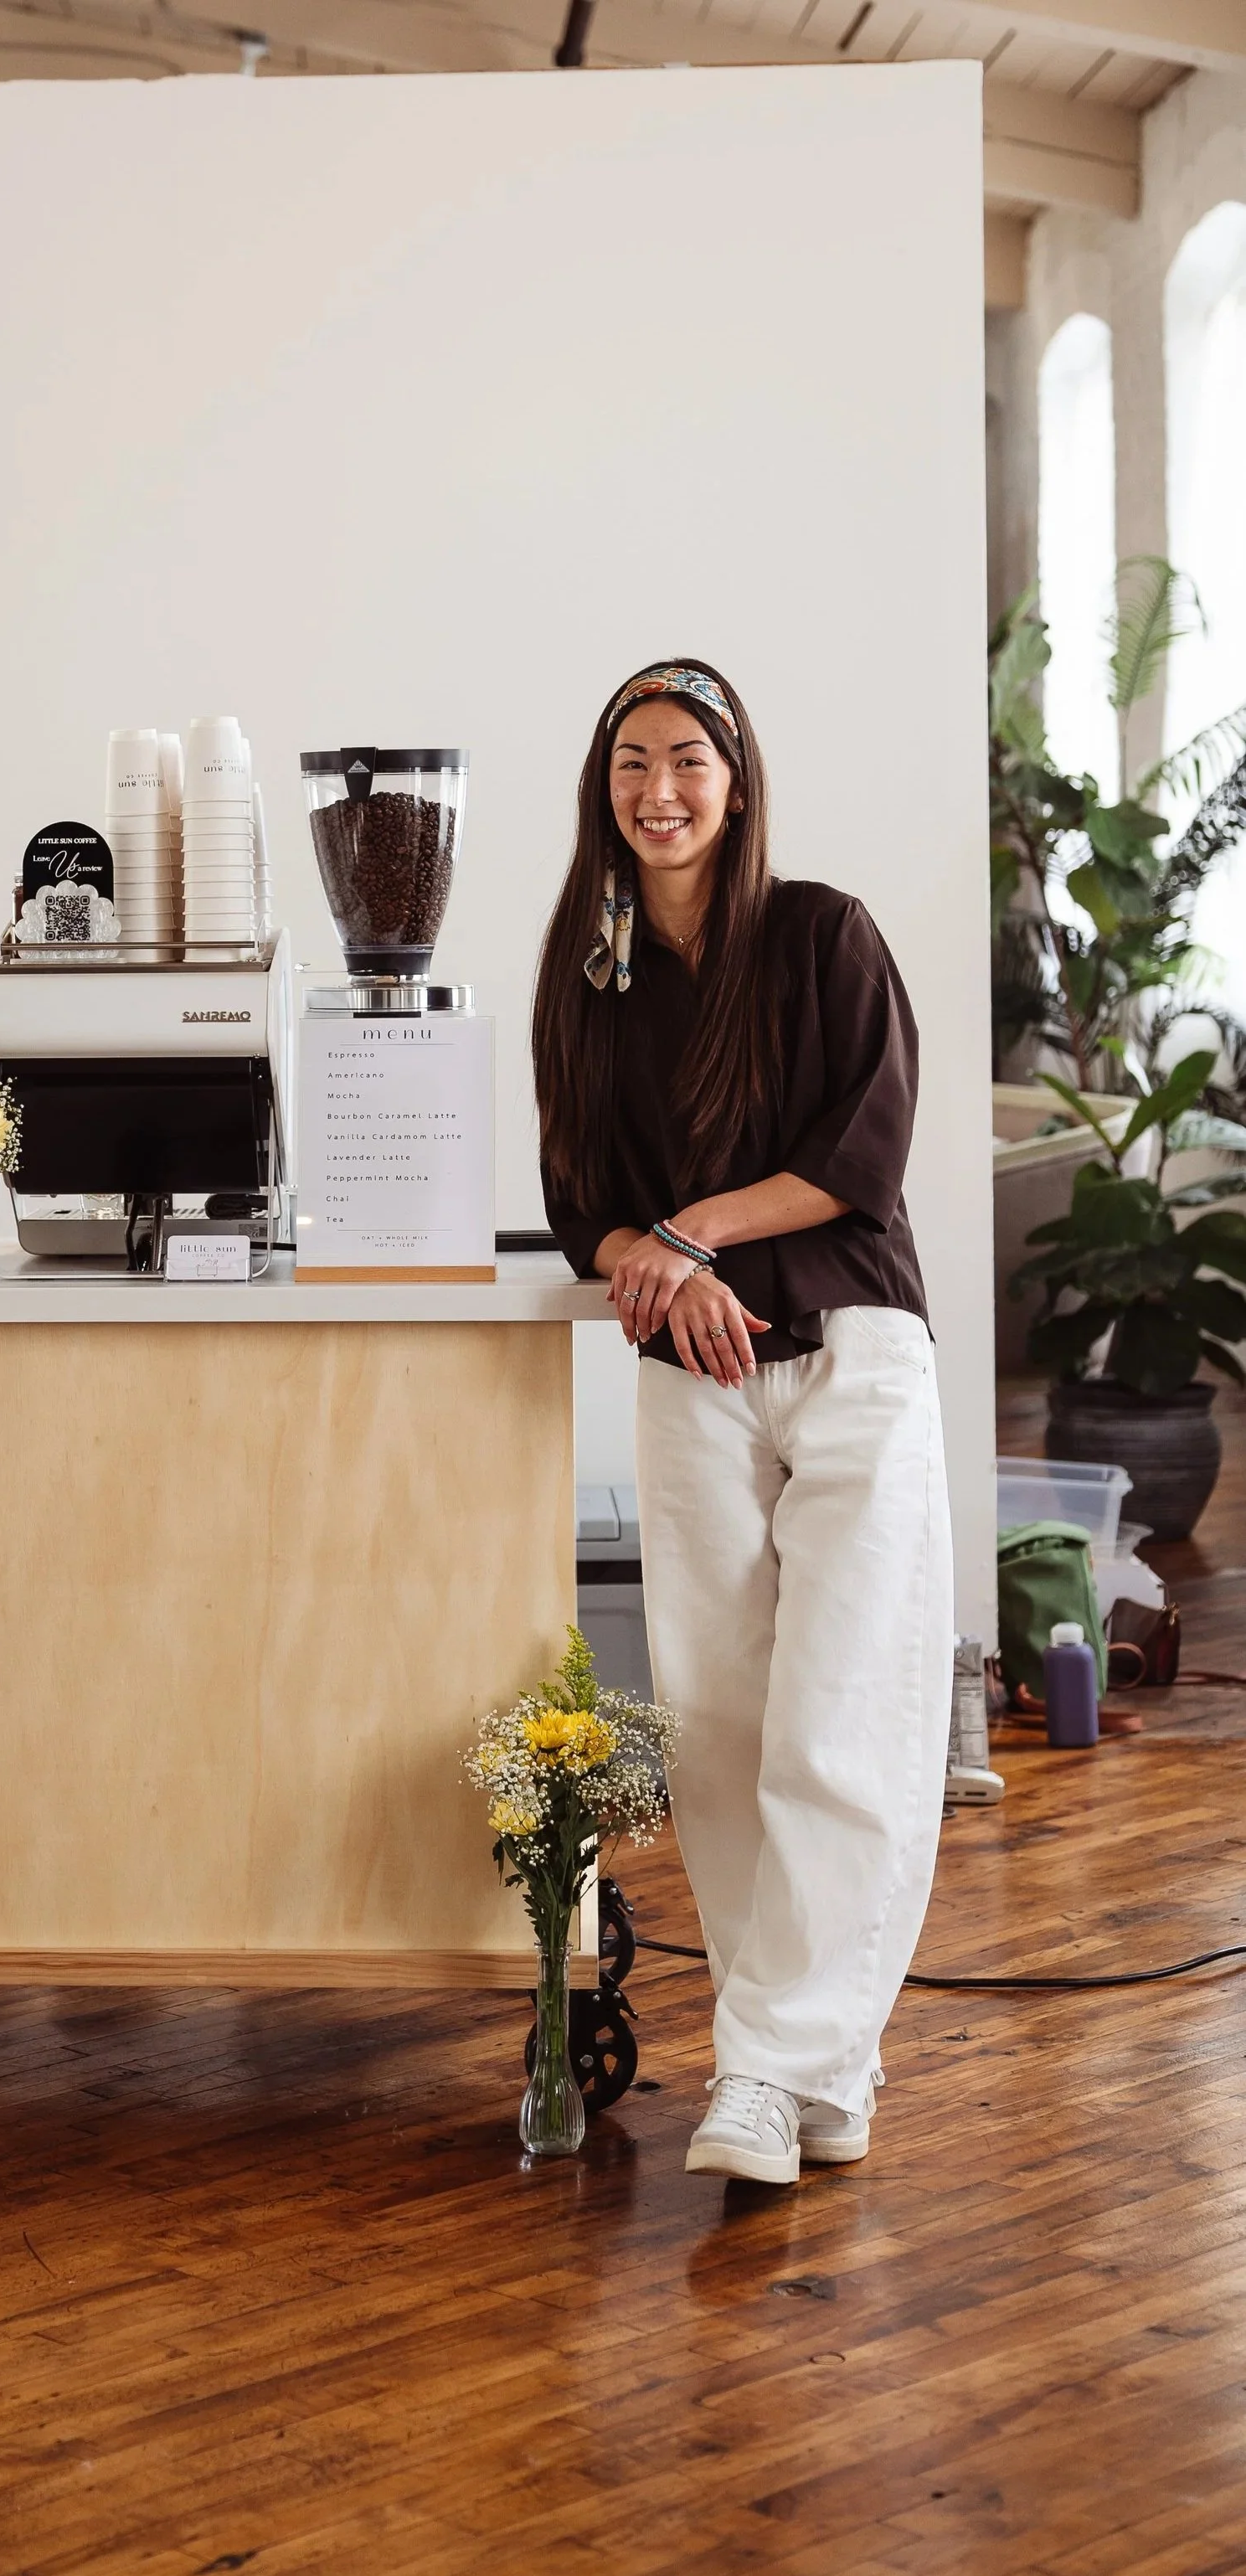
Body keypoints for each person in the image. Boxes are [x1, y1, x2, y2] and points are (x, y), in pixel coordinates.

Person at [532, 659, 952, 2186]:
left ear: (738, 777)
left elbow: (866, 1152)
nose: (660, 790)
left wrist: (692, 1231)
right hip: (693, 1380)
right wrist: (647, 1256)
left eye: (688, 760)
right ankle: (822, 2060)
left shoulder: (823, 934)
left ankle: (766, 2075)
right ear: (605, 789)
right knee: (716, 1733)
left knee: (844, 1724)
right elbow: (583, 1208)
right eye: (633, 763)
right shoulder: (587, 980)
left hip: (848, 1353)